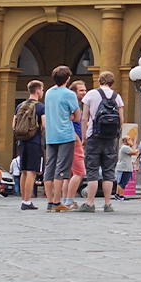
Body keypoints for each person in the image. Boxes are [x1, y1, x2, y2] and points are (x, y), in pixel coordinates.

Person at [80, 71, 124, 212]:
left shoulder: (91, 94)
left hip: (94, 136)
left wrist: (84, 137)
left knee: (92, 171)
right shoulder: (117, 97)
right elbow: (121, 120)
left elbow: (84, 118)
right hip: (110, 138)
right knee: (108, 172)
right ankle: (107, 204)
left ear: (99, 81)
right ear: (112, 83)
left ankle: (90, 203)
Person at [42, 66, 79, 213]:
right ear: (68, 78)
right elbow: (77, 116)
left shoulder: (49, 92)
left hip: (51, 135)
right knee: (61, 170)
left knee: (49, 167)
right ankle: (57, 202)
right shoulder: (69, 94)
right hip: (65, 135)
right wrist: (70, 115)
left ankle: (50, 202)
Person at [15, 81, 45, 210]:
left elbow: (14, 125)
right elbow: (44, 125)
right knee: (31, 171)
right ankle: (27, 201)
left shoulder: (20, 106)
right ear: (38, 91)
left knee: (23, 171)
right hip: (34, 141)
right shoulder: (40, 107)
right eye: (42, 90)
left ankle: (23, 199)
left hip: (22, 141)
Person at [66, 80, 88, 203]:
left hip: (72, 142)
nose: (84, 93)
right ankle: (69, 200)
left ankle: (66, 200)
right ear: (73, 92)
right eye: (81, 90)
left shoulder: (76, 105)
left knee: (69, 174)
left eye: (85, 90)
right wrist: (78, 140)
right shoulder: (72, 106)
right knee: (79, 172)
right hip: (74, 142)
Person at [116, 131, 138, 200]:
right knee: (124, 181)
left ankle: (117, 194)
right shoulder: (126, 147)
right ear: (125, 141)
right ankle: (121, 195)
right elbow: (134, 152)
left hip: (123, 167)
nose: (131, 140)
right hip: (125, 167)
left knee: (120, 181)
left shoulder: (122, 147)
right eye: (129, 139)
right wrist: (132, 145)